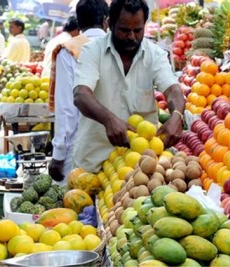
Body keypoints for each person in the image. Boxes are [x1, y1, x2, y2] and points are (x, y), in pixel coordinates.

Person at [72, 0, 185, 173]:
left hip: (141, 164)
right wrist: (108, 119)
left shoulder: (154, 54)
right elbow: (81, 94)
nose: (131, 36)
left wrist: (177, 116)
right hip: (94, 160)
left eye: (138, 30)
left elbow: (173, 89)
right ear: (109, 24)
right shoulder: (92, 51)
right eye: (124, 30)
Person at [48, 0, 109, 184]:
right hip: (118, 144)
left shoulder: (68, 51)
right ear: (106, 20)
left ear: (79, 22)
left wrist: (58, 154)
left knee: (76, 203)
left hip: (80, 145)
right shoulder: (120, 47)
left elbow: (66, 109)